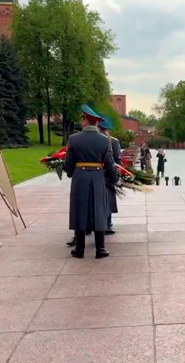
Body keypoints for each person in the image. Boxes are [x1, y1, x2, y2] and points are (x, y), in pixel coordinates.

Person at [64, 104, 117, 259]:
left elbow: (68, 163)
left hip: (80, 177)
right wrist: (114, 179)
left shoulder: (74, 139)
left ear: (86, 120)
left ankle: (79, 249)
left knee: (79, 209)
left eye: (82, 119)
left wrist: (70, 173)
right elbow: (109, 163)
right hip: (98, 176)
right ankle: (100, 249)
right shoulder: (105, 140)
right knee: (99, 210)